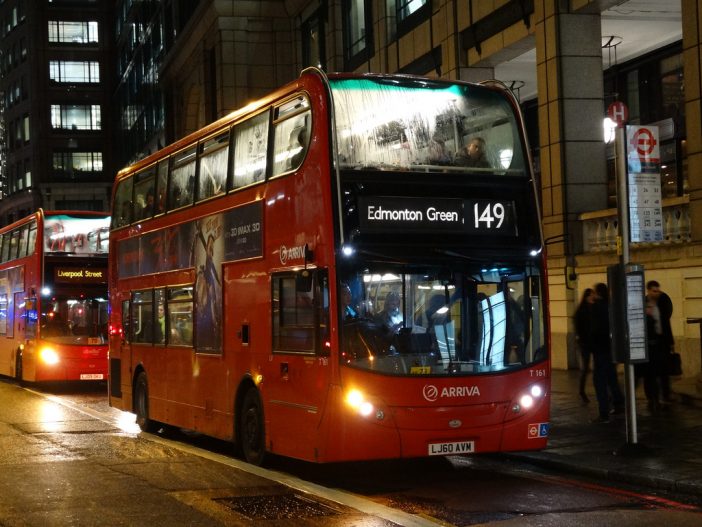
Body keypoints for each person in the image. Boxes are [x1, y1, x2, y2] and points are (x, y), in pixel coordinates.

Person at [590, 282, 625, 423]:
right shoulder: (611, 307)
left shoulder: (596, 308)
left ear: (598, 293)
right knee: (611, 378)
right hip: (610, 349)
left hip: (600, 349)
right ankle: (618, 403)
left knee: (600, 382)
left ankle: (603, 413)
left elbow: (594, 329)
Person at [645, 280, 674, 405]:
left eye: (658, 290)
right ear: (649, 291)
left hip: (662, 341)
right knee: (650, 372)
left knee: (664, 370)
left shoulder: (662, 302)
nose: (657, 293)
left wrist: (671, 341)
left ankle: (665, 395)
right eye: (654, 291)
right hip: (651, 342)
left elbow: (666, 323)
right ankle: (652, 397)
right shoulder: (644, 304)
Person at [574, 288, 595, 403]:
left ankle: (582, 391)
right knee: (585, 368)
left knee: (589, 368)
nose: (593, 297)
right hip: (586, 343)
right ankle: (582, 391)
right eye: (591, 295)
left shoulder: (589, 308)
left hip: (590, 342)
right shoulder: (583, 310)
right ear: (587, 296)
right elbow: (579, 327)